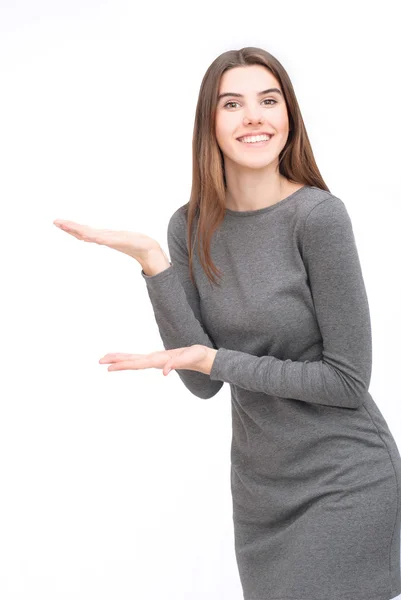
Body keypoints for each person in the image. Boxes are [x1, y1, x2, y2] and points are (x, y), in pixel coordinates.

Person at [54, 47, 401, 600]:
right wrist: (153, 263)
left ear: (289, 115)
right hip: (261, 495)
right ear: (209, 123)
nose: (254, 116)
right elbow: (201, 383)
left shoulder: (317, 217)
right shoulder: (187, 227)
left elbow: (345, 380)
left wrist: (218, 359)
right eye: (232, 104)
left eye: (269, 100)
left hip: (345, 483)